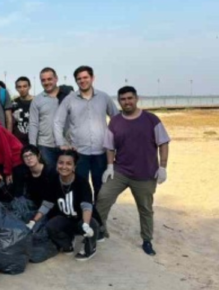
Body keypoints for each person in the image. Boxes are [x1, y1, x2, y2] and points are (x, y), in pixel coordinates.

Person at [95, 86, 170, 255]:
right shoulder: (115, 121)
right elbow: (109, 146)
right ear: (119, 101)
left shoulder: (151, 119)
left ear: (137, 99)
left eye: (130, 98)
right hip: (120, 171)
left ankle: (147, 240)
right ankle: (100, 229)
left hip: (145, 174)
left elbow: (163, 143)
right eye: (123, 99)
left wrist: (163, 166)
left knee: (145, 208)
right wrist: (109, 166)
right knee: (103, 198)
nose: (127, 102)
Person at [54, 65, 119, 203]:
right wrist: (61, 143)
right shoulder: (69, 99)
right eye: (79, 79)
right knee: (80, 187)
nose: (82, 81)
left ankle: (99, 220)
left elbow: (117, 118)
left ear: (92, 78)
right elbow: (57, 122)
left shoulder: (103, 97)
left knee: (100, 188)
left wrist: (115, 141)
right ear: (76, 81)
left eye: (85, 77)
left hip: (101, 152)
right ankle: (81, 219)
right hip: (79, 153)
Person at [26, 150, 100, 261]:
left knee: (90, 225)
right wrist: (33, 221)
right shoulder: (53, 180)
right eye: (61, 163)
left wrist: (85, 224)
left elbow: (86, 206)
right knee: (51, 226)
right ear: (56, 164)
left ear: (74, 166)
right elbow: (46, 204)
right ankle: (68, 244)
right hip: (67, 218)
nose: (64, 166)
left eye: (69, 164)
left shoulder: (82, 182)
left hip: (83, 218)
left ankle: (91, 247)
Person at [29, 67, 73, 169]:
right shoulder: (37, 100)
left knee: (67, 175)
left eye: (49, 79)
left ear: (56, 79)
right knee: (50, 176)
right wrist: (32, 147)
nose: (47, 82)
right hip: (45, 146)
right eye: (43, 80)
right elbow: (33, 124)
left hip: (66, 144)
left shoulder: (69, 96)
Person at [10, 76, 33, 146]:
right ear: (16, 88)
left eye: (24, 86)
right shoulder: (13, 103)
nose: (22, 89)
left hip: (33, 139)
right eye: (19, 87)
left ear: (29, 87)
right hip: (18, 141)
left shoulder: (36, 102)